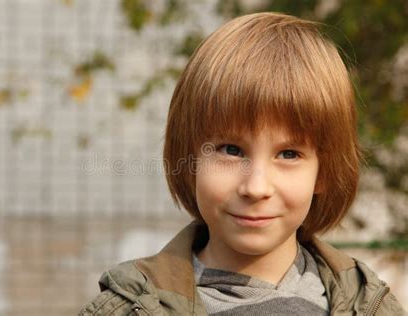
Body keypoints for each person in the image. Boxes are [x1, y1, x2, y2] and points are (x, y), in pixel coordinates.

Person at [79, 12, 405, 315]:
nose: (256, 187)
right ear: (190, 160)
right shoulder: (129, 308)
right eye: (231, 150)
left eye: (289, 154)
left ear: (324, 172)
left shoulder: (371, 306)